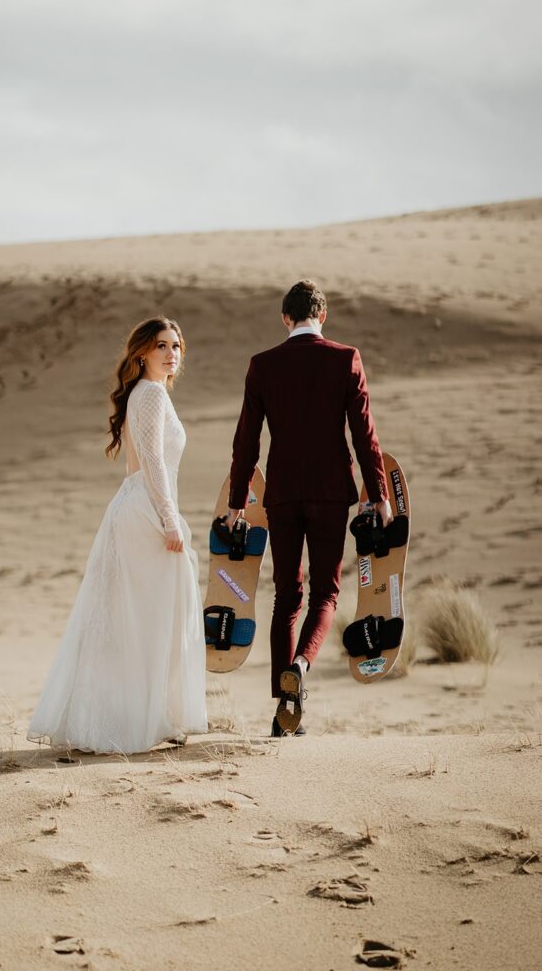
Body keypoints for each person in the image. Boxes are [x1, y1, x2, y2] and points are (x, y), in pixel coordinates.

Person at [27, 316, 207, 755]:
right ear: (142, 352)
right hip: (145, 512)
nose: (171, 354)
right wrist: (168, 519)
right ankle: (134, 722)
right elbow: (152, 461)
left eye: (176, 346)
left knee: (149, 617)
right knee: (147, 617)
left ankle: (147, 716)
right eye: (162, 346)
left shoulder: (153, 394)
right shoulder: (150, 396)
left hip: (142, 506)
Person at [226, 280, 392, 737]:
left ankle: (284, 711)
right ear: (324, 315)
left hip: (282, 494)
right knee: (325, 593)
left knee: (286, 595)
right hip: (329, 492)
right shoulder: (344, 359)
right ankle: (300, 666)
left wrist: (238, 502)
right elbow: (365, 434)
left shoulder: (263, 365)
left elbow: (247, 442)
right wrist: (378, 493)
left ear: (285, 318)